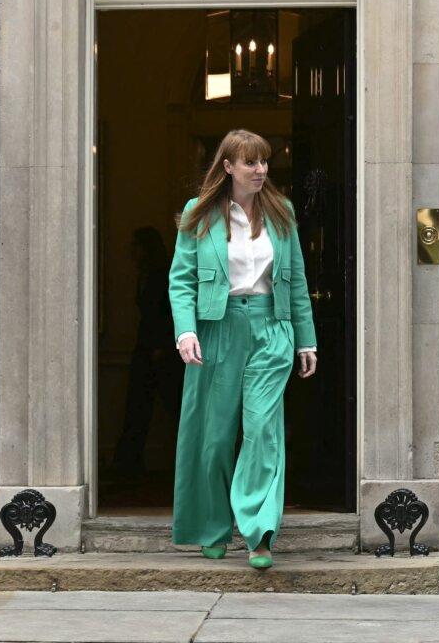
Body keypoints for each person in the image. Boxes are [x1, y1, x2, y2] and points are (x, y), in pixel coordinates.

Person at [167, 129, 318, 570]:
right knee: (213, 438)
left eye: (265, 162)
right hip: (217, 328)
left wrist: (305, 338)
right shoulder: (200, 213)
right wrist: (185, 331)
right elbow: (181, 281)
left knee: (263, 432)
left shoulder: (281, 210)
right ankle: (211, 527)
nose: (261, 170)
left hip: (272, 329)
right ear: (228, 167)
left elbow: (298, 280)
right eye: (251, 163)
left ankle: (259, 532)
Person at [111, 227, 182, 477]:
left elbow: (166, 315)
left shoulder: (161, 276)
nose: (132, 251)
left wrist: (161, 347)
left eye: (136, 245)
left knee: (171, 408)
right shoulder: (145, 275)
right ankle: (129, 462)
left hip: (161, 352)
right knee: (139, 407)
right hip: (146, 349)